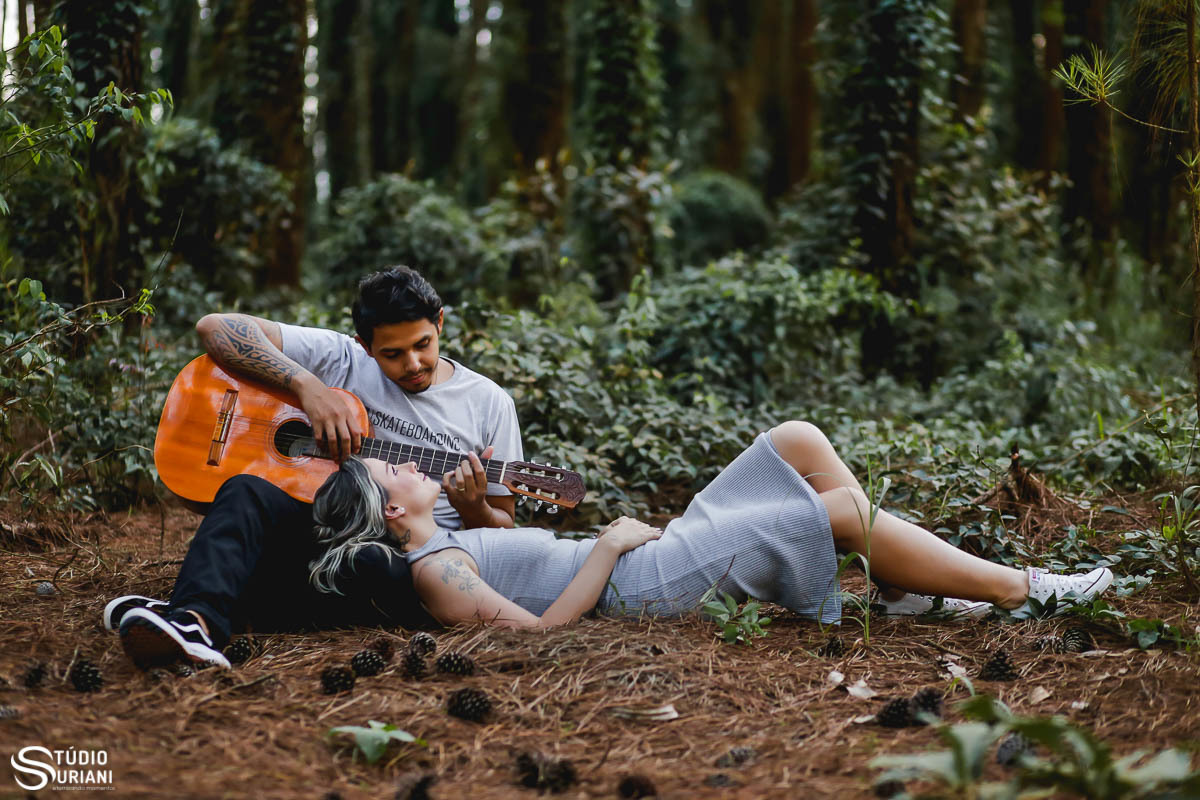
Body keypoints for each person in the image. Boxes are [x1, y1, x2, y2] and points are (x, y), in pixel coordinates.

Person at [107, 266, 524, 668]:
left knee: (374, 566)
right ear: (365, 345)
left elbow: (504, 528)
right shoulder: (344, 358)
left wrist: (473, 509)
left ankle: (204, 597)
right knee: (245, 489)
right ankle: (194, 623)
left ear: (440, 323)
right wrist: (307, 387)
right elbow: (214, 327)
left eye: (423, 345)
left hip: (404, 558)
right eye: (392, 354)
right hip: (319, 529)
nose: (412, 364)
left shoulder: (489, 403)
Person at [310, 421, 1113, 629]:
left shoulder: (450, 539)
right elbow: (540, 636)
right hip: (640, 584)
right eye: (396, 473)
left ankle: (900, 579)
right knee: (834, 512)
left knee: (795, 440)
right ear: (390, 510)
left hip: (639, 560)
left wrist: (494, 502)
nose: (410, 467)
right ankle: (1024, 590)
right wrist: (607, 547)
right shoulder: (435, 572)